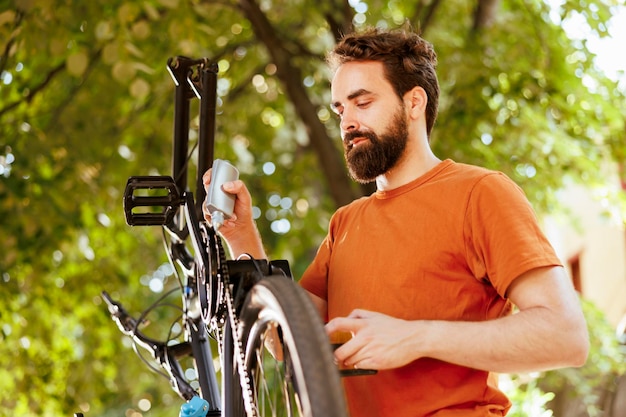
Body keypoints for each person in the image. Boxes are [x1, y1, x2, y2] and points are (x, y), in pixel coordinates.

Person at [203, 26, 589, 416]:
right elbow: (287, 341)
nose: (347, 122)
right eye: (340, 109)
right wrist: (241, 236)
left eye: (362, 102)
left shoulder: (480, 193)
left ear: (414, 103)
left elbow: (565, 336)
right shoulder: (345, 223)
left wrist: (416, 337)